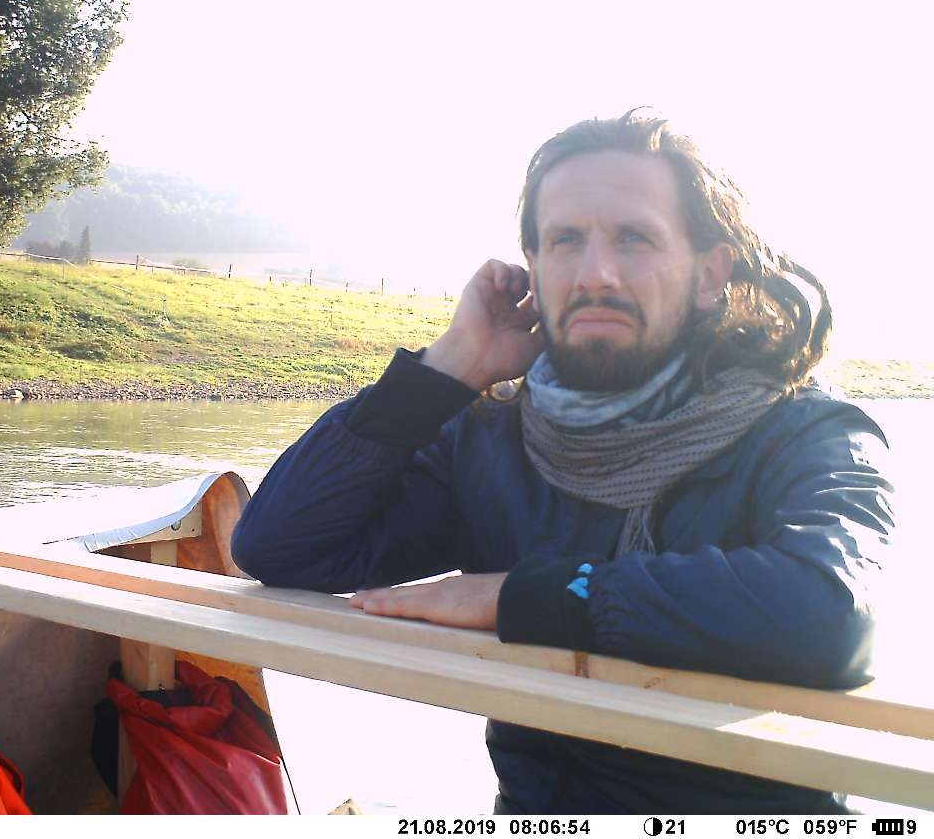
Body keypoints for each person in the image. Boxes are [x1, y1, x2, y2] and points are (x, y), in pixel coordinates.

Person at [230, 110, 896, 814]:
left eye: (634, 238)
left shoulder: (805, 431)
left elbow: (832, 610)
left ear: (710, 273)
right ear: (535, 269)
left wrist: (527, 598)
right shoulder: (492, 438)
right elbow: (283, 547)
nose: (594, 273)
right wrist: (449, 367)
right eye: (566, 241)